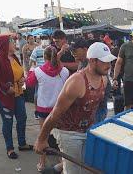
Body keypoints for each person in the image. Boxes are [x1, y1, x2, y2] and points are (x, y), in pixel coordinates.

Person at [34, 42, 116, 174]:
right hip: (69, 133)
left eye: (110, 61)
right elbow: (55, 113)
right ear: (93, 61)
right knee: (73, 171)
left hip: (89, 129)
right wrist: (41, 139)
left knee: (88, 168)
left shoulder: (104, 79)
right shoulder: (77, 82)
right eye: (105, 62)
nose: (109, 65)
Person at [0, 35, 33, 159]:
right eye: (12, 42)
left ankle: (22, 144)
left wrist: (22, 78)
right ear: (5, 45)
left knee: (22, 118)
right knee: (8, 122)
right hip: (5, 97)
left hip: (19, 95)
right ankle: (10, 148)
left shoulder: (14, 57)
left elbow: (19, 72)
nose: (15, 43)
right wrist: (5, 87)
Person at [26, 46, 69, 172]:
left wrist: (30, 70)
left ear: (44, 57)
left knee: (43, 137)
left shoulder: (38, 71)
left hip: (43, 109)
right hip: (60, 109)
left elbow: (29, 84)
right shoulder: (65, 71)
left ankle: (42, 162)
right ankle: (63, 163)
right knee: (60, 138)